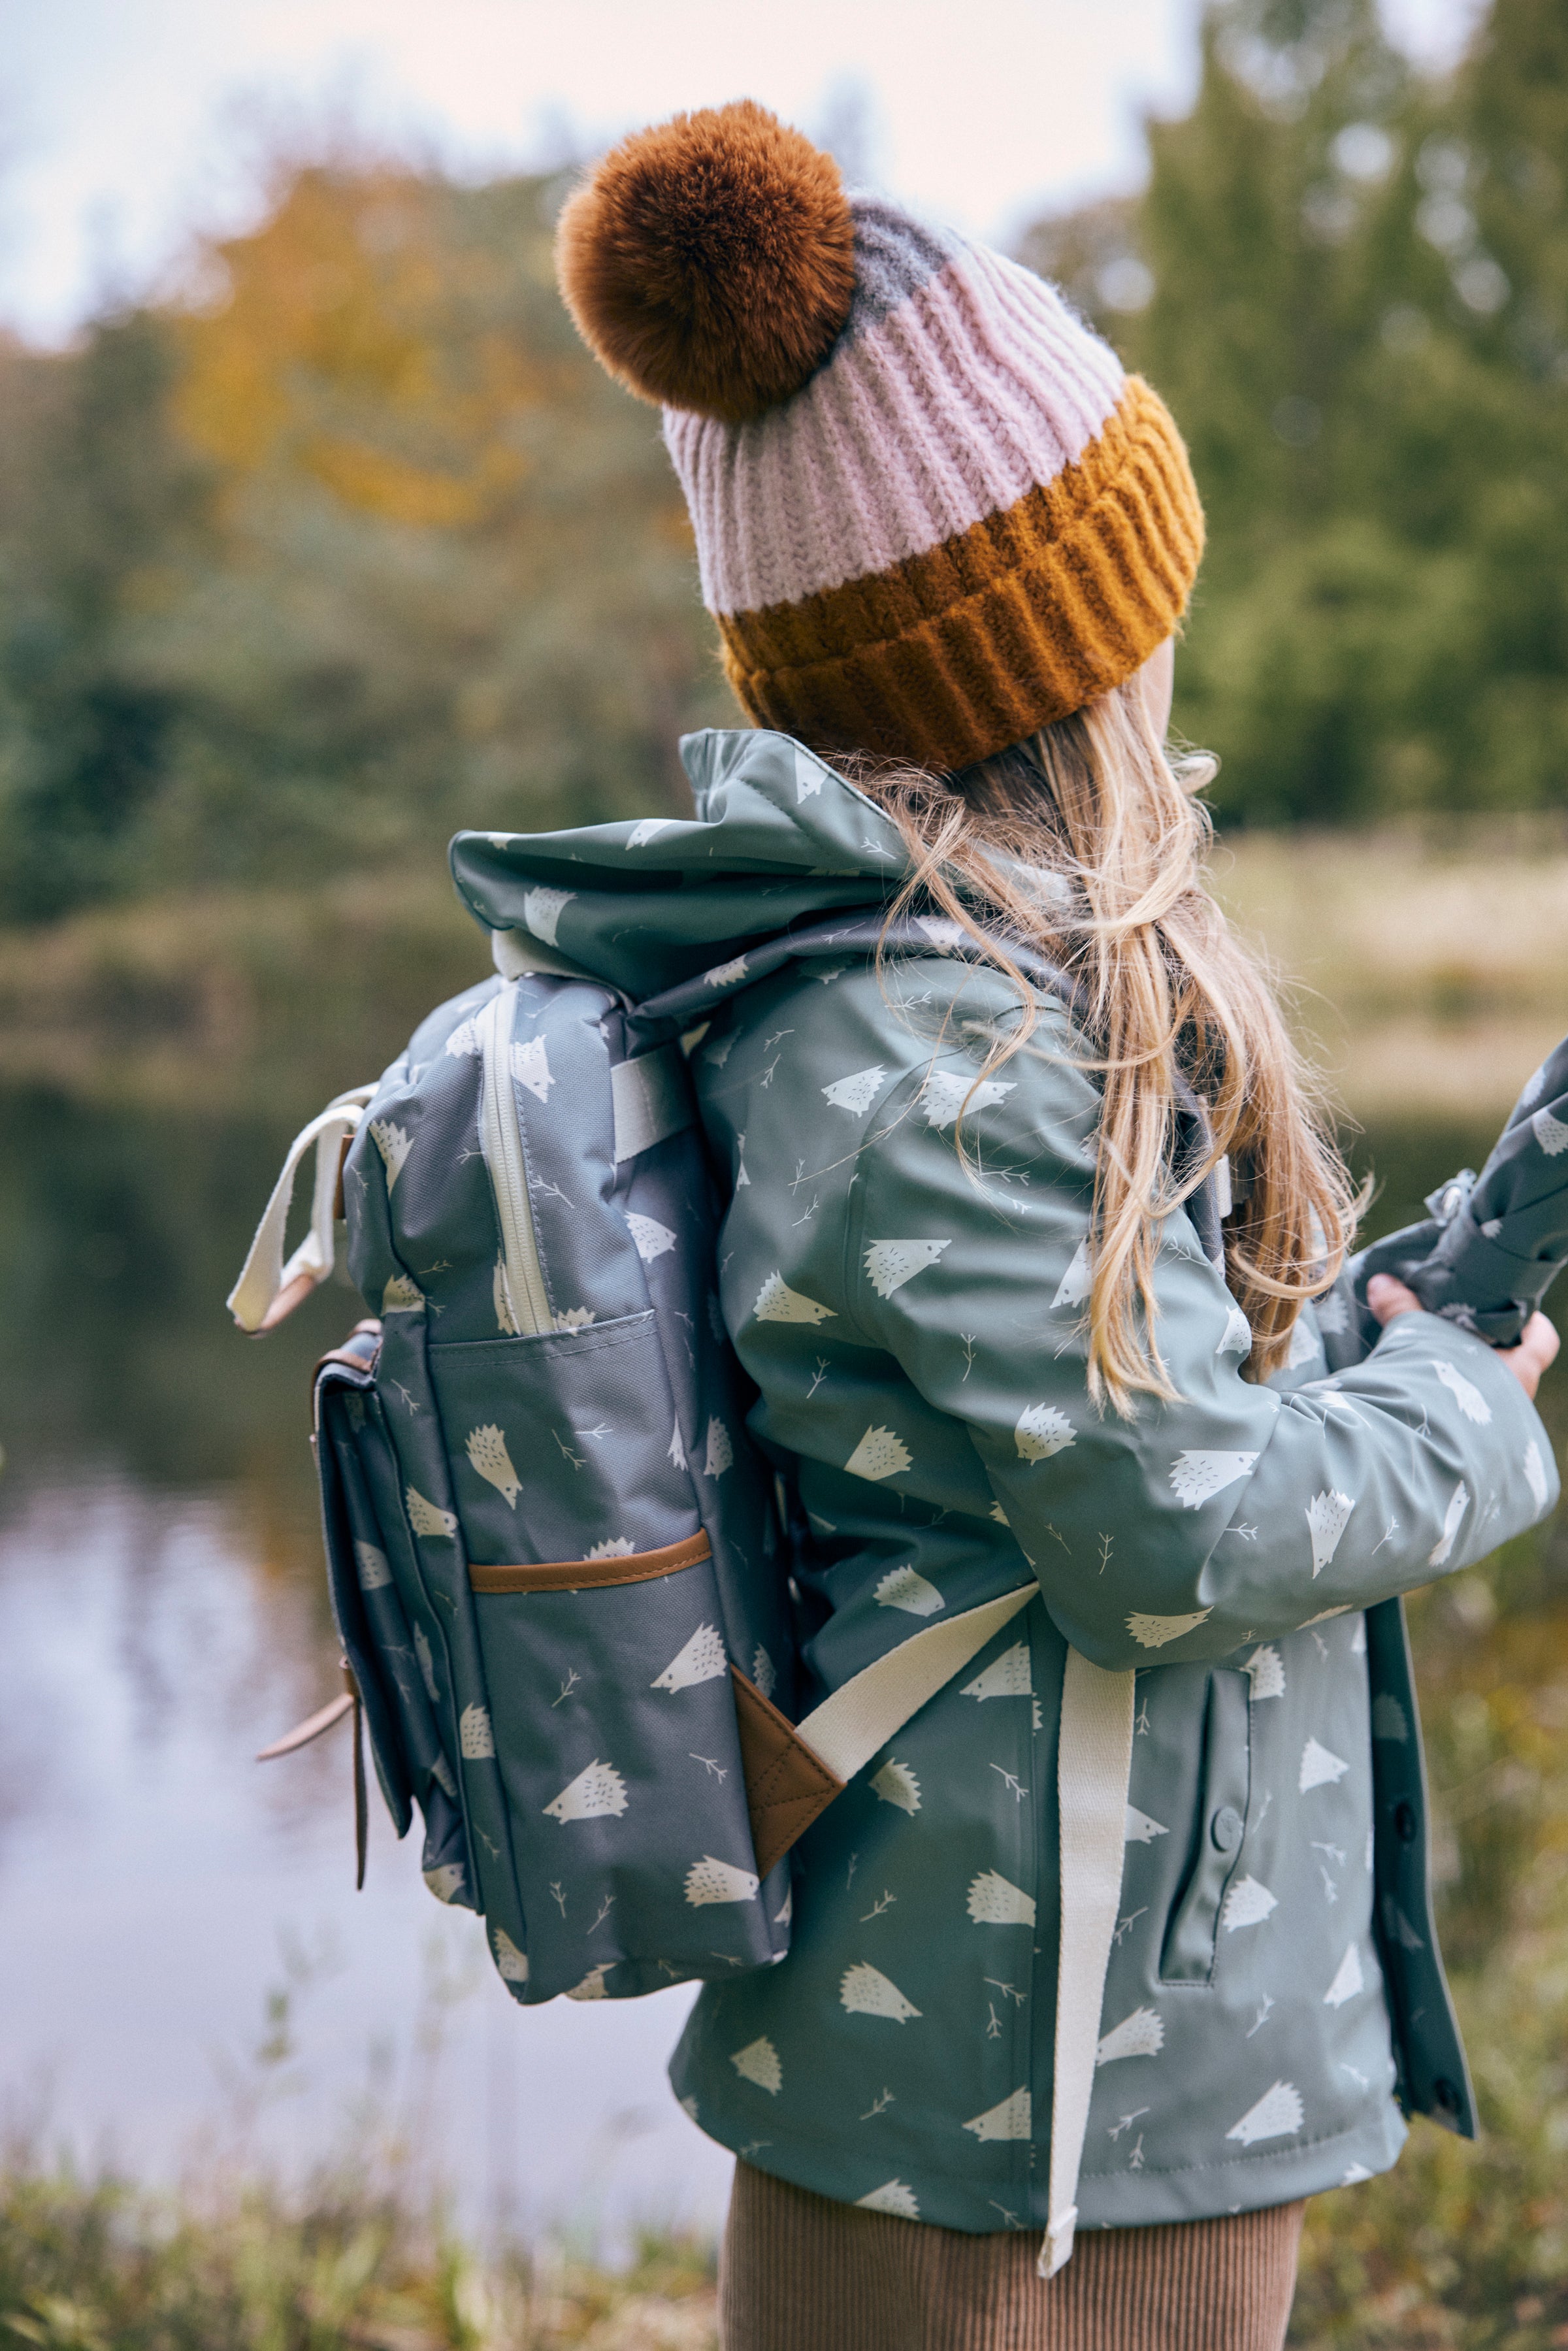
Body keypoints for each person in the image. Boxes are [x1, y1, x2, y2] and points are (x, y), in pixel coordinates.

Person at [544, 102, 1561, 2350]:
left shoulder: (905, 1002)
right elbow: (1172, 1536)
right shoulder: (959, 1060)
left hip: (1019, 2040)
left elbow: (1117, 1426)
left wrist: (1385, 1326)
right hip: (1041, 2094)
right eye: (1140, 603)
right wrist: (1470, 1411)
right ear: (1047, 657)